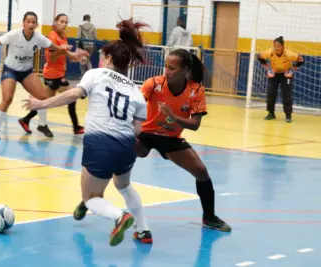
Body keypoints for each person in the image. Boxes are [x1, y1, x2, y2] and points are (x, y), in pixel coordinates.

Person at [70, 49, 231, 234]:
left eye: (172, 68)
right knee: (117, 161)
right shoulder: (153, 84)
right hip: (144, 134)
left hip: (171, 138)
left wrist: (173, 115)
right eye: (166, 67)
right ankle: (91, 197)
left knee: (201, 171)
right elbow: (133, 103)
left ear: (185, 69)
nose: (167, 71)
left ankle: (209, 217)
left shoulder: (196, 91)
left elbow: (195, 125)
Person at [22, 18, 152, 246]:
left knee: (91, 198)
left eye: (102, 55)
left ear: (109, 58)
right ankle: (144, 231)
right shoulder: (137, 92)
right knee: (123, 185)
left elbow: (73, 95)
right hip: (126, 147)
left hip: (101, 144)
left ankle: (118, 216)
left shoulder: (96, 76)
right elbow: (138, 130)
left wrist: (40, 104)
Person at [0, 11, 88, 140]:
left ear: (36, 24)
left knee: (43, 97)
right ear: (23, 23)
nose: (31, 24)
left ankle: (42, 125)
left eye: (33, 22)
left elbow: (57, 48)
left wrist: (73, 55)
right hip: (10, 69)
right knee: (7, 99)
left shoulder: (39, 38)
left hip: (26, 71)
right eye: (28, 22)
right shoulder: (14, 35)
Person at [19, 13, 86, 135]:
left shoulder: (63, 36)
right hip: (52, 75)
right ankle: (75, 127)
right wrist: (61, 50)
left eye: (66, 22)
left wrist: (77, 56)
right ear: (55, 22)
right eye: (61, 21)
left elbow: (65, 53)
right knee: (68, 98)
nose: (64, 24)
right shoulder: (53, 36)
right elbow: (50, 58)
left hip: (59, 74)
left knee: (45, 102)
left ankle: (26, 120)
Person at [257, 36, 304, 123]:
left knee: (286, 94)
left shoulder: (288, 54)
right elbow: (259, 56)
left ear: (282, 46)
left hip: (285, 74)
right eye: (275, 46)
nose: (276, 48)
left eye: (278, 46)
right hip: (274, 73)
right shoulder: (270, 52)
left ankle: (288, 115)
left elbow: (301, 59)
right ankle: (271, 113)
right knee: (271, 93)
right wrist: (265, 64)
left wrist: (295, 67)